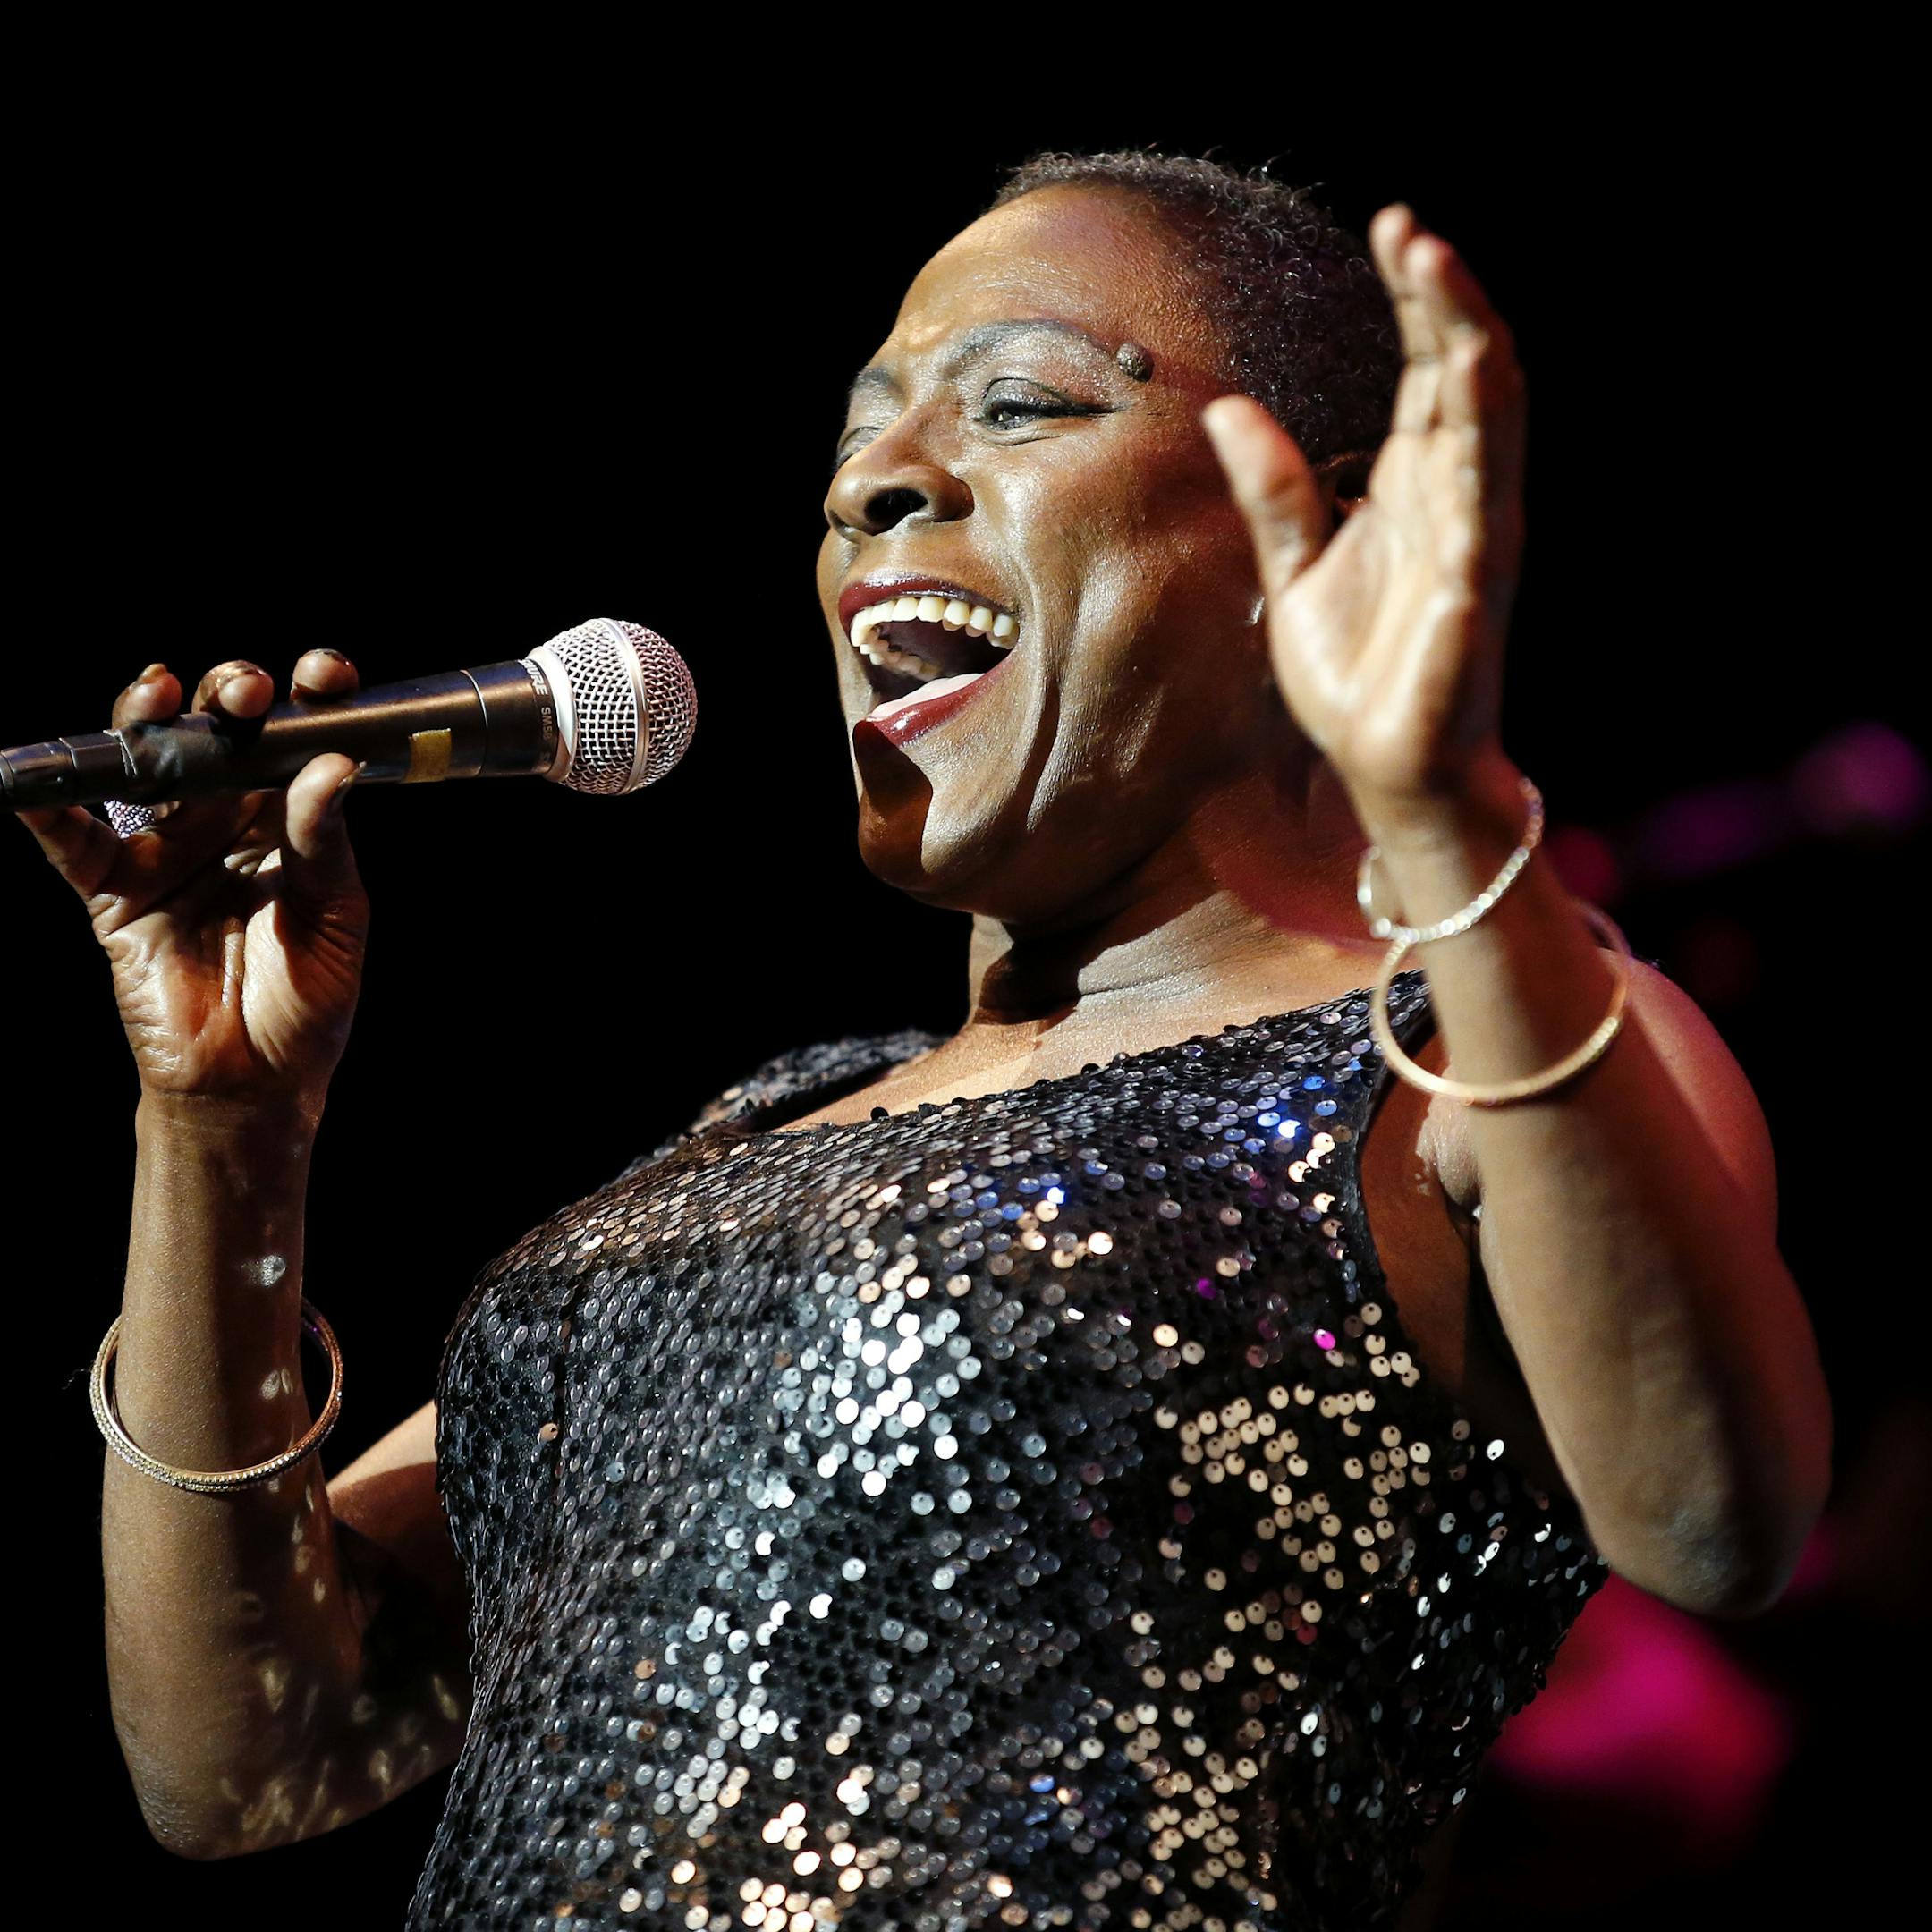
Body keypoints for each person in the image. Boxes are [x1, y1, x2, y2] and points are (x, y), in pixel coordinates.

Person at [20, 152, 1831, 1931]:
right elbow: (243, 1757)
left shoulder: (1470, 1039)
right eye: (852, 447)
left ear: (1330, 533)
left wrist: (1443, 813)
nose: (874, 488)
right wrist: (218, 1133)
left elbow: (1711, 1515)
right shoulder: (767, 1122)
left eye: (1020, 407)